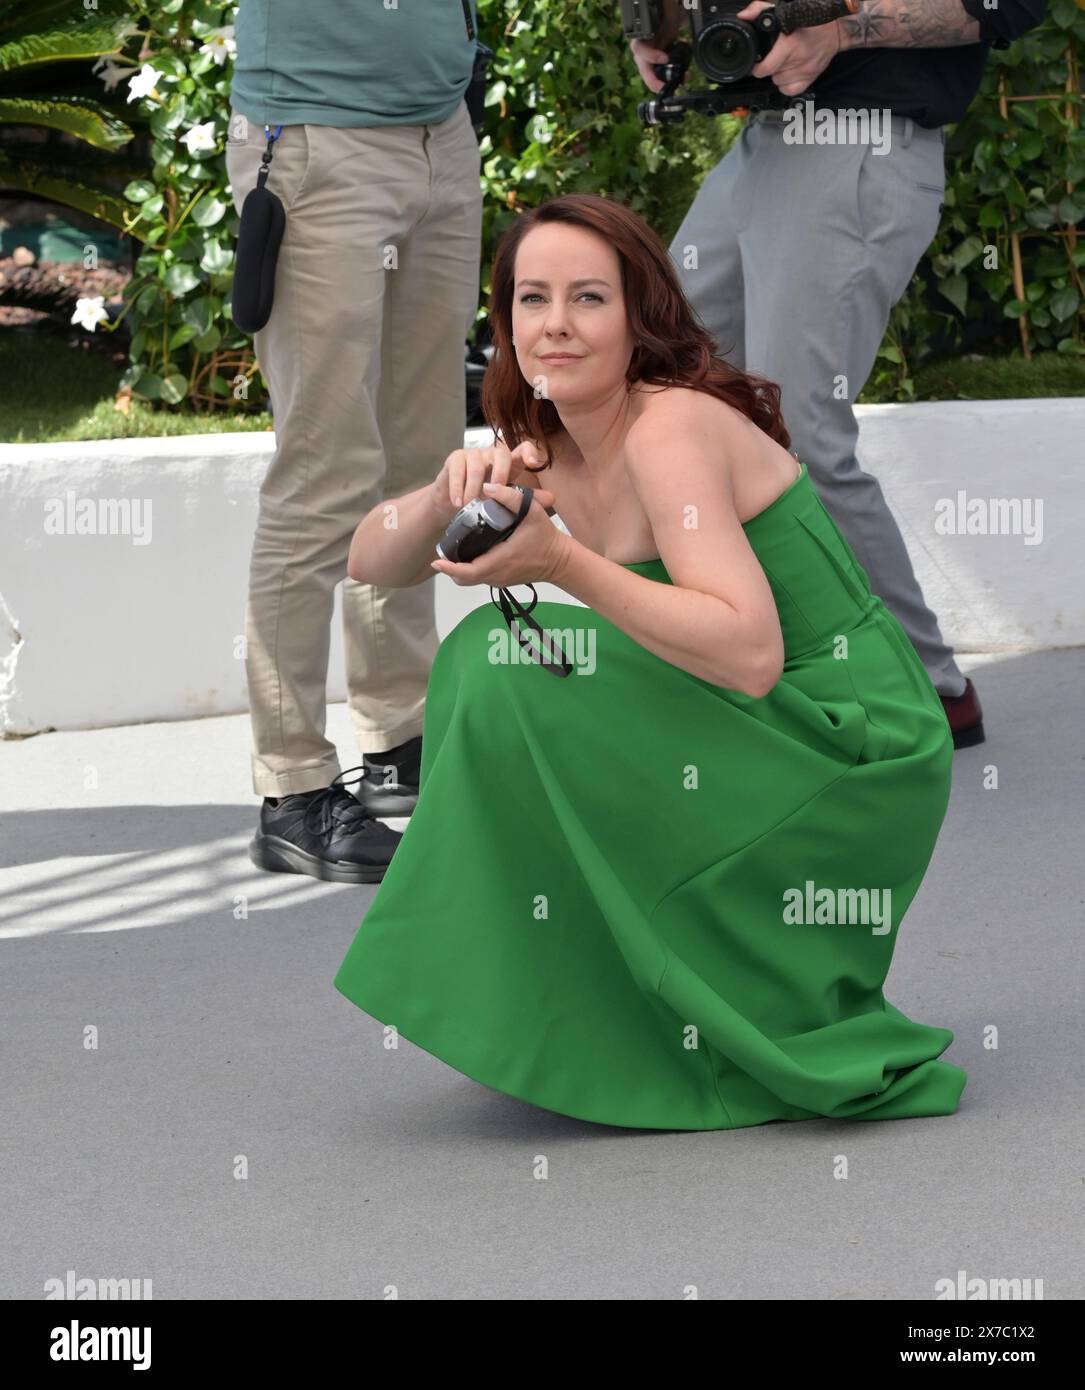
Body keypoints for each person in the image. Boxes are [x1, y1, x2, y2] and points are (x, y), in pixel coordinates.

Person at [333, 193, 968, 1131]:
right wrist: (438, 497)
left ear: (640, 318)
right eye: (530, 300)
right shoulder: (542, 448)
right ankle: (583, 993)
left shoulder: (667, 427)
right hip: (755, 720)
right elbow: (365, 561)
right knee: (484, 658)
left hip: (847, 741)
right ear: (504, 324)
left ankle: (653, 1001)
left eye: (588, 298)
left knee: (508, 666)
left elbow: (750, 654)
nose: (555, 325)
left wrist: (560, 563)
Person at [630, 0, 1048, 750]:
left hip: (860, 138)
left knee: (798, 441)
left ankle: (925, 687)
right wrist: (650, 24)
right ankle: (734, 663)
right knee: (670, 388)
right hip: (765, 138)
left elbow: (1006, 6)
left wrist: (839, 28)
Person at [224, 0, 483, 883]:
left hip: (440, 135)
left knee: (422, 466)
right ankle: (292, 788)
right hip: (316, 139)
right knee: (325, 472)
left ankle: (397, 735)